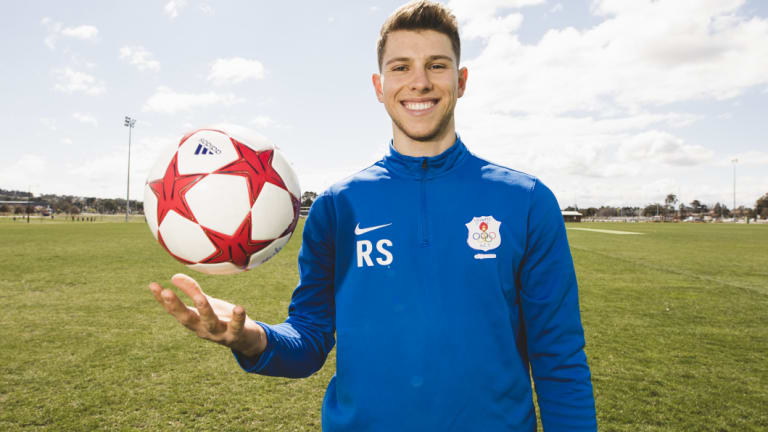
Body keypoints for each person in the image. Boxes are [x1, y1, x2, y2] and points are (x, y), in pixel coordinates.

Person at [149, 1, 597, 430]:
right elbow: (308, 340)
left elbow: (558, 358)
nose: (418, 82)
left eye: (436, 65)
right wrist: (249, 337)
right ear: (378, 85)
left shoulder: (526, 201)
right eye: (400, 67)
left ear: (461, 81)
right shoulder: (337, 207)